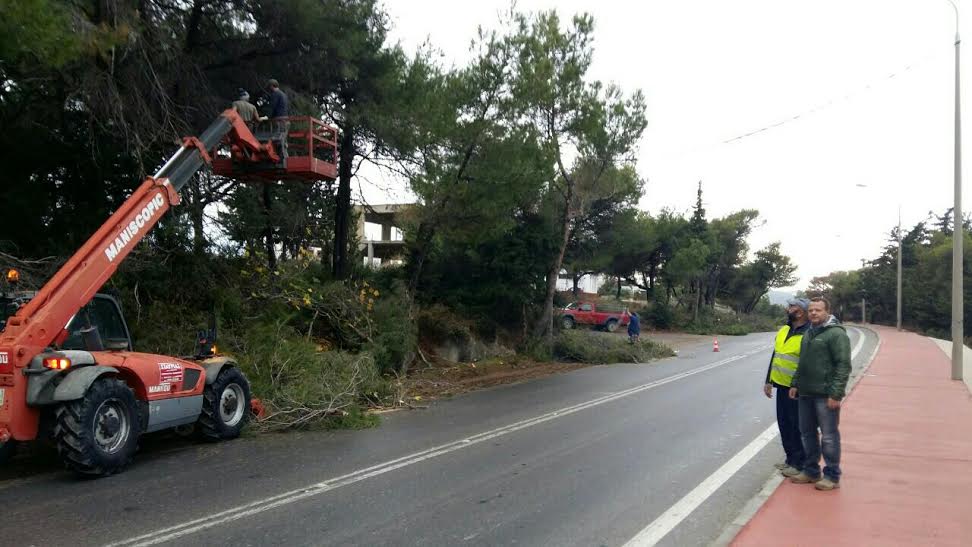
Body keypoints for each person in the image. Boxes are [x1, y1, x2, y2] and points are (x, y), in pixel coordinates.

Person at [788, 296, 852, 491]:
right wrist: (795, 383)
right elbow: (803, 362)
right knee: (807, 434)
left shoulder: (836, 334)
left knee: (829, 436)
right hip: (805, 392)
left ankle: (832, 475)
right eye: (811, 310)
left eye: (818, 310)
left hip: (825, 395)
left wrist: (836, 393)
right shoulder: (809, 332)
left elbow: (843, 365)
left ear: (827, 312)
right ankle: (811, 471)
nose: (813, 313)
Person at [764, 298, 810, 477]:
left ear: (801, 311)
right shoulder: (784, 329)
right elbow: (776, 355)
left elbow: (807, 363)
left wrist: (797, 384)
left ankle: (799, 463)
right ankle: (790, 459)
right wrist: (768, 380)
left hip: (796, 389)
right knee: (784, 424)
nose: (788, 309)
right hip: (781, 386)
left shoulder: (809, 333)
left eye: (792, 306)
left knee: (796, 426)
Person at [266, 79, 289, 159]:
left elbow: (272, 107)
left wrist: (267, 117)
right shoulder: (284, 95)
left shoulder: (275, 94)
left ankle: (280, 158)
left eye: (269, 87)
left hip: (278, 119)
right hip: (285, 119)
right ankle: (286, 158)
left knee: (277, 139)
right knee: (283, 139)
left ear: (272, 86)